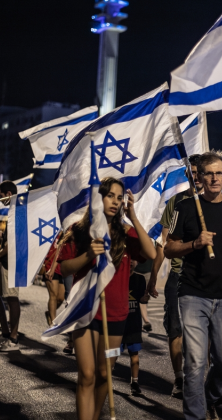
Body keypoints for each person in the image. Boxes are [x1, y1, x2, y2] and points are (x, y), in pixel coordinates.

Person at [58, 177, 155, 420]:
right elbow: (65, 268)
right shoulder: (80, 231)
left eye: (120, 197)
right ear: (98, 198)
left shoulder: (126, 232)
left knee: (105, 374)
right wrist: (88, 254)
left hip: (116, 317)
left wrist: (133, 217)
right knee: (88, 375)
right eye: (110, 195)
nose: (116, 201)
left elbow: (151, 252)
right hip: (84, 312)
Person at [164, 150, 222, 420]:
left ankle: (211, 396)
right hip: (193, 294)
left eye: (218, 172)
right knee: (195, 363)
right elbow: (169, 249)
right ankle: (195, 415)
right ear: (198, 177)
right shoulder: (186, 207)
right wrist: (195, 244)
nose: (214, 178)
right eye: (208, 173)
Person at [149, 153, 202, 398]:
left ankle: (200, 378)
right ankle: (179, 378)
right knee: (176, 329)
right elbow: (164, 243)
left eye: (201, 172)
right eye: (192, 173)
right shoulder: (176, 203)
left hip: (206, 278)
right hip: (178, 276)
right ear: (188, 175)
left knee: (205, 333)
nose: (198, 178)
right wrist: (152, 277)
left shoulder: (217, 203)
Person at [0, 181, 22, 352]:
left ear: (8, 194)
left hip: (12, 262)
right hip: (5, 259)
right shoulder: (12, 210)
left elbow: (12, 244)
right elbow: (9, 238)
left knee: (11, 298)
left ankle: (14, 339)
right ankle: (5, 333)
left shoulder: (18, 210)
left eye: (0, 195)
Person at [121, 261, 149, 396]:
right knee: (112, 354)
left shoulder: (140, 279)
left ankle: (135, 382)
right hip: (118, 324)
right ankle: (105, 376)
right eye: (128, 259)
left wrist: (146, 320)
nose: (130, 262)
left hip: (134, 324)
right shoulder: (117, 277)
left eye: (134, 259)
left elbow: (142, 301)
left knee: (135, 355)